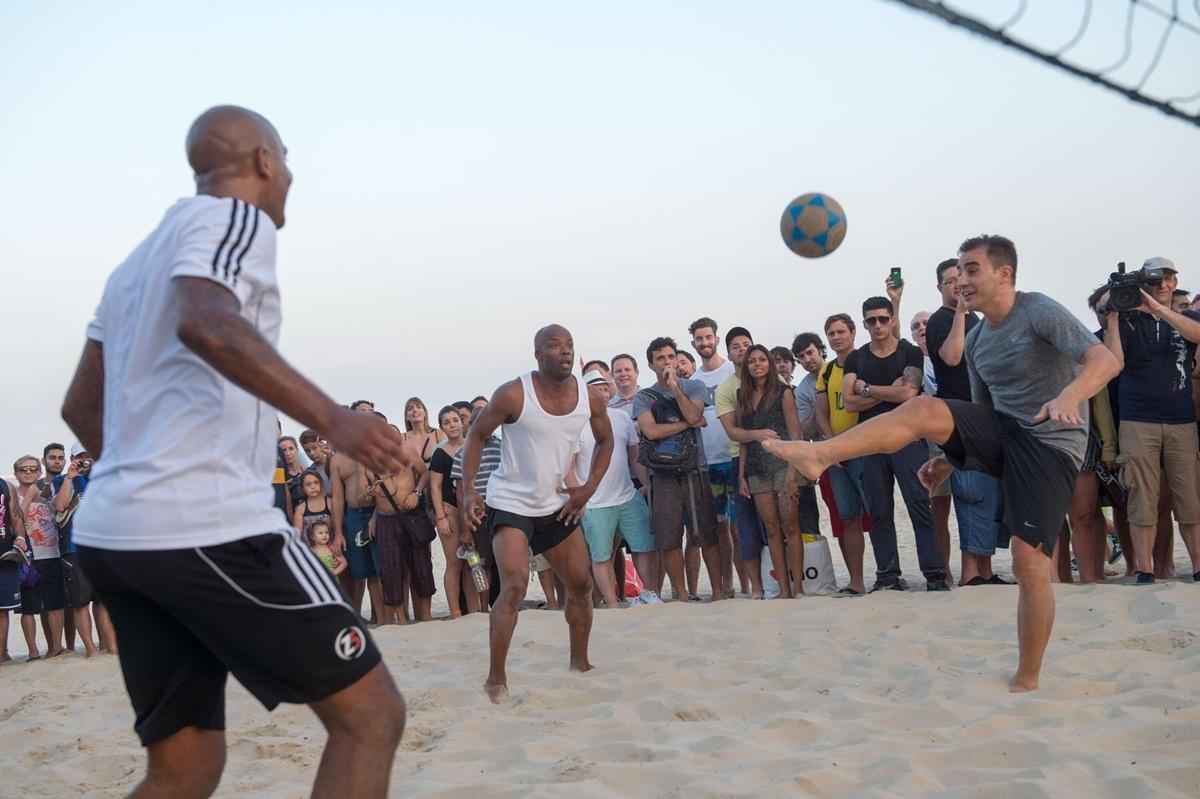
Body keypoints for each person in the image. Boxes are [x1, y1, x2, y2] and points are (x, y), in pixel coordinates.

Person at [64, 105, 407, 798]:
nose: (290, 177)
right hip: (206, 526)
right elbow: (206, 322)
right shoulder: (233, 219)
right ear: (264, 162)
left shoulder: (133, 265)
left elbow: (78, 406)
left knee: (185, 768)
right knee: (371, 716)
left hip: (114, 535)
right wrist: (332, 418)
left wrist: (140, 483)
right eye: (286, 160)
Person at [767, 234, 1121, 692]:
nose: (962, 281)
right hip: (1007, 431)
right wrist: (950, 461)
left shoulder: (1038, 310)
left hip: (1052, 443)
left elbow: (1105, 361)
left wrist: (1069, 395)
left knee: (1028, 561)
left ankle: (1028, 677)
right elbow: (978, 412)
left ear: (1004, 274)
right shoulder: (976, 342)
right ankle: (820, 455)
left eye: (972, 270)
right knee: (926, 410)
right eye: (958, 273)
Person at [460, 324, 614, 703]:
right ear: (537, 354)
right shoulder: (514, 393)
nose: (564, 352)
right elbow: (476, 436)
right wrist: (468, 492)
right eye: (554, 346)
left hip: (556, 505)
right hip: (511, 503)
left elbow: (607, 440)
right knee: (513, 585)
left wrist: (589, 487)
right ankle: (496, 679)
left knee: (580, 585)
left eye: (569, 346)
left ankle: (580, 664)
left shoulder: (589, 398)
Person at [843, 296, 949, 591]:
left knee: (919, 505)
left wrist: (867, 388)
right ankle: (888, 576)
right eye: (871, 320)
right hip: (871, 442)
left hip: (908, 439)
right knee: (878, 510)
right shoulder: (856, 358)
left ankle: (935, 574)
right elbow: (849, 402)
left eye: (882, 319)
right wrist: (892, 390)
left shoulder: (910, 352)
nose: (877, 325)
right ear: (864, 324)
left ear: (891, 320)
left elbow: (910, 393)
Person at [1106, 257, 1200, 584]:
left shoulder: (1186, 316)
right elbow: (1114, 363)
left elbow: (1197, 334)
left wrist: (1159, 310)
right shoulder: (1128, 320)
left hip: (1181, 419)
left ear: (1175, 282)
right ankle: (1144, 568)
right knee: (1141, 497)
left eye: (1169, 278)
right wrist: (1115, 319)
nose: (1163, 285)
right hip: (1137, 418)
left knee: (1189, 496)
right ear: (1143, 282)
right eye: (1156, 279)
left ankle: (1198, 566)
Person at [925, 258, 1008, 586]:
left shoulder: (978, 319)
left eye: (961, 280)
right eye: (949, 282)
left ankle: (984, 570)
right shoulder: (941, 320)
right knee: (971, 493)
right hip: (958, 419)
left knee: (987, 494)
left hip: (985, 415)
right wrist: (960, 311)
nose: (957, 287)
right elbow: (952, 356)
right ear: (940, 287)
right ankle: (972, 573)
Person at [636, 336, 724, 601]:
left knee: (706, 534)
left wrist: (675, 388)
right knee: (669, 537)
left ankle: (718, 592)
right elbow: (650, 431)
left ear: (677, 358)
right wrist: (687, 424)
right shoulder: (644, 396)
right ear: (651, 364)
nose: (666, 362)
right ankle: (682, 593)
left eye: (670, 356)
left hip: (695, 469)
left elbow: (696, 414)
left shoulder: (694, 386)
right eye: (660, 358)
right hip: (662, 474)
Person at [570, 368, 658, 608]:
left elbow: (634, 457)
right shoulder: (574, 424)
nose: (602, 390)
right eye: (595, 387)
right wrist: (579, 499)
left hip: (627, 496)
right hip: (595, 503)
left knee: (644, 547)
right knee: (601, 556)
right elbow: (568, 467)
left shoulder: (620, 418)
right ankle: (612, 604)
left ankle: (649, 594)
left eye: (604, 385)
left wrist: (647, 485)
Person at [737, 345, 805, 597]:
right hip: (756, 468)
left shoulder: (783, 392)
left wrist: (792, 474)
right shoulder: (742, 395)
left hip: (782, 464)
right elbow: (744, 440)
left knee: (791, 527)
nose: (757, 364)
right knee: (772, 530)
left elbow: (795, 433)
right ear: (747, 366)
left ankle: (798, 586)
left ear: (770, 363)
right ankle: (783, 588)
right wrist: (741, 475)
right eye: (752, 361)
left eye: (762, 360)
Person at [814, 314, 871, 595]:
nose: (836, 337)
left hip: (867, 448)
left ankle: (890, 574)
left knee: (878, 513)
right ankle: (856, 581)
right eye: (831, 333)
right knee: (848, 516)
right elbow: (821, 412)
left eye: (840, 331)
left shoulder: (867, 360)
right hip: (837, 454)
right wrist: (830, 443)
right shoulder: (826, 371)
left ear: (852, 332)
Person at [689, 317, 743, 598]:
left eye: (708, 337)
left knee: (738, 528)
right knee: (719, 529)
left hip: (733, 457)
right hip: (707, 463)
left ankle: (747, 585)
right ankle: (725, 586)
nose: (704, 343)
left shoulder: (731, 371)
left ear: (716, 339)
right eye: (699, 339)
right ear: (693, 343)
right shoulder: (694, 380)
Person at [329, 407, 386, 621]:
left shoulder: (376, 453)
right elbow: (337, 497)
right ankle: (362, 617)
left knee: (380, 569)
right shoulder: (337, 460)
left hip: (377, 511)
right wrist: (337, 533)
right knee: (361, 569)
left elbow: (387, 486)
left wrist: (376, 515)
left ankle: (383, 618)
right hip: (353, 515)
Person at [369, 450, 436, 625]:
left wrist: (417, 492)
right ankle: (401, 617)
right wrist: (371, 498)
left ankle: (426, 614)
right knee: (391, 569)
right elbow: (364, 496)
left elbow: (426, 474)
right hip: (385, 519)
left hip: (411, 515)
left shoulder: (409, 454)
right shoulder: (370, 462)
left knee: (422, 565)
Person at [52, 446, 104, 656]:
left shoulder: (101, 478)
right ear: (72, 459)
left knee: (104, 602)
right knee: (81, 602)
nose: (85, 460)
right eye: (80, 457)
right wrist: (70, 477)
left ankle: (110, 647)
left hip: (101, 547)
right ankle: (91, 649)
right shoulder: (62, 480)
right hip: (74, 548)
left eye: (88, 456)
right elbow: (60, 506)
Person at [451, 407, 504, 608]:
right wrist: (465, 526)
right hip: (477, 514)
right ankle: (483, 608)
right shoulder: (461, 454)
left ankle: (505, 604)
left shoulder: (501, 447)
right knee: (481, 564)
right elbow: (460, 495)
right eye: (476, 422)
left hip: (501, 509)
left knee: (506, 561)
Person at [14, 455, 66, 659]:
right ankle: (33, 650)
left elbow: (60, 511)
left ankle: (56, 646)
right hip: (27, 557)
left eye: (33, 469)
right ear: (16, 473)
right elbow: (16, 518)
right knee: (28, 608)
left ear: (39, 472)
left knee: (55, 603)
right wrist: (29, 497)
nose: (28, 473)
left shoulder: (47, 493)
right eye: (23, 469)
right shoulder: (13, 495)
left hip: (52, 554)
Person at [430, 405, 476, 617]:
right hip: (449, 510)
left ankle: (475, 611)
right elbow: (435, 487)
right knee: (454, 563)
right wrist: (441, 517)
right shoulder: (440, 452)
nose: (452, 425)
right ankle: (455, 612)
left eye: (455, 420)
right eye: (447, 422)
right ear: (441, 428)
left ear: (462, 421)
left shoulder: (473, 445)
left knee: (473, 561)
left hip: (473, 509)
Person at [789, 332, 827, 540]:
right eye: (801, 357)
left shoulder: (842, 369)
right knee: (845, 515)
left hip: (861, 445)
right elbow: (807, 431)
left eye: (810, 352)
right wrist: (820, 404)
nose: (807, 359)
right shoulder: (803, 390)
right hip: (828, 455)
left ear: (820, 350)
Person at [0, 477, 29, 664]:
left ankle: (1, 654)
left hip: (4, 556)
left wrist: (20, 538)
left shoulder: (5, 485)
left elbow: (16, 517)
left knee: (2, 610)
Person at [293, 471, 333, 542]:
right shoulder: (300, 509)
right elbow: (297, 535)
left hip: (329, 548)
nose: (313, 486)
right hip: (310, 549)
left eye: (316, 482)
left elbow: (337, 529)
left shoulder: (330, 503)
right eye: (308, 484)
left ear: (321, 484)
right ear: (302, 488)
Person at [279, 435, 307, 508]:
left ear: (297, 450)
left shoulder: (308, 472)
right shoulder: (280, 478)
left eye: (291, 449)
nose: (288, 453)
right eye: (284, 450)